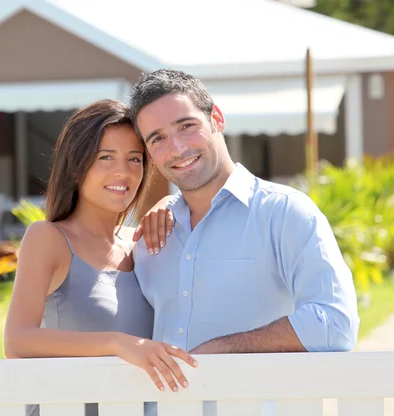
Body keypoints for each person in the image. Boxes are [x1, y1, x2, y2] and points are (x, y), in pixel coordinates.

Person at [129, 68, 360, 358]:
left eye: (186, 126)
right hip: (160, 406)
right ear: (150, 154)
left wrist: (224, 348)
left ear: (217, 119)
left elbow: (335, 324)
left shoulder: (284, 213)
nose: (177, 148)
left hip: (252, 404)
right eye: (157, 139)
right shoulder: (148, 239)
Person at [4, 99, 197, 416]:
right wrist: (117, 344)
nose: (123, 171)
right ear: (76, 167)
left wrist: (168, 204)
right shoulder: (48, 238)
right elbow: (17, 341)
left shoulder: (141, 243)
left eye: (134, 159)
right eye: (105, 157)